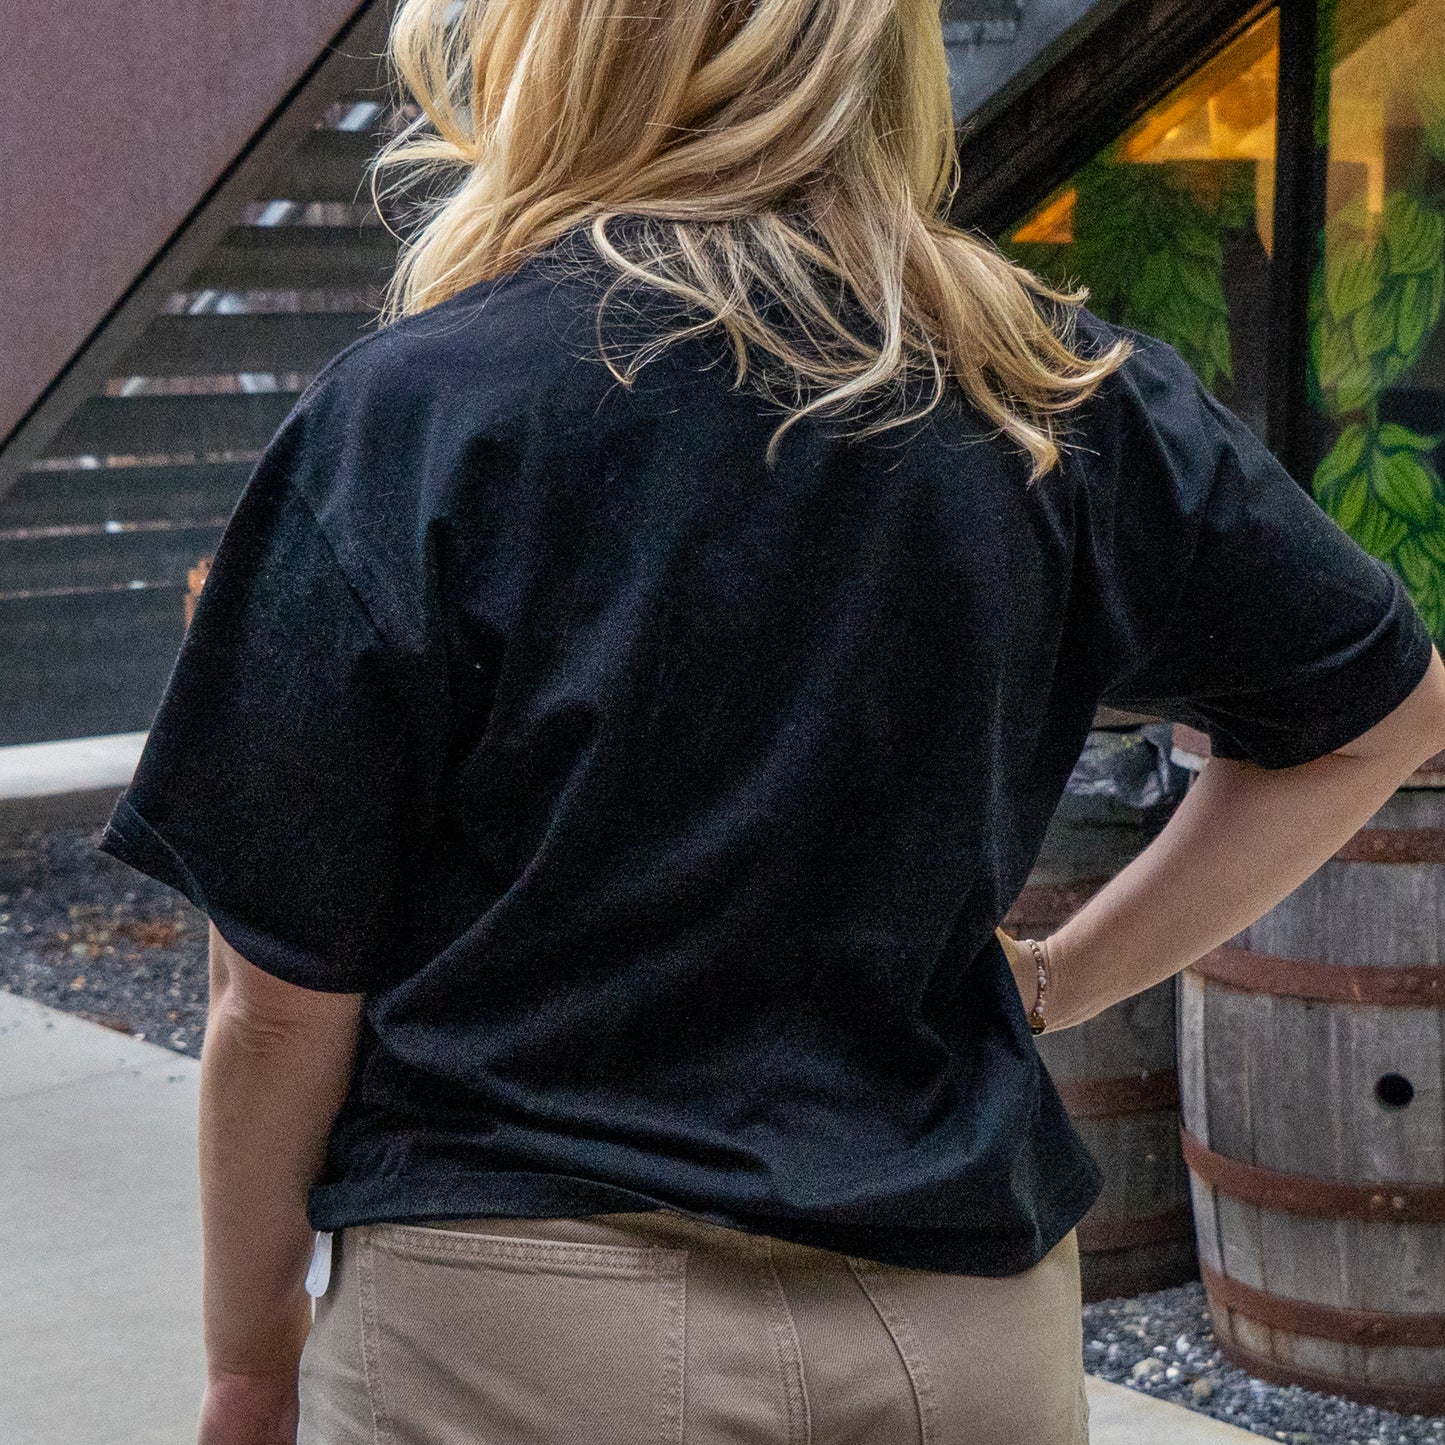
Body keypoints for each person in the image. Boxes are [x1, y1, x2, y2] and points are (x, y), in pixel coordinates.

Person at [95, 0, 1445, 1440]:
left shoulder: (419, 414)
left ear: (563, 54)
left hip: (525, 1323)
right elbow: (1377, 716)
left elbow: (279, 1000)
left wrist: (251, 1355)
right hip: (955, 1329)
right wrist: (1048, 977)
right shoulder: (1052, 395)